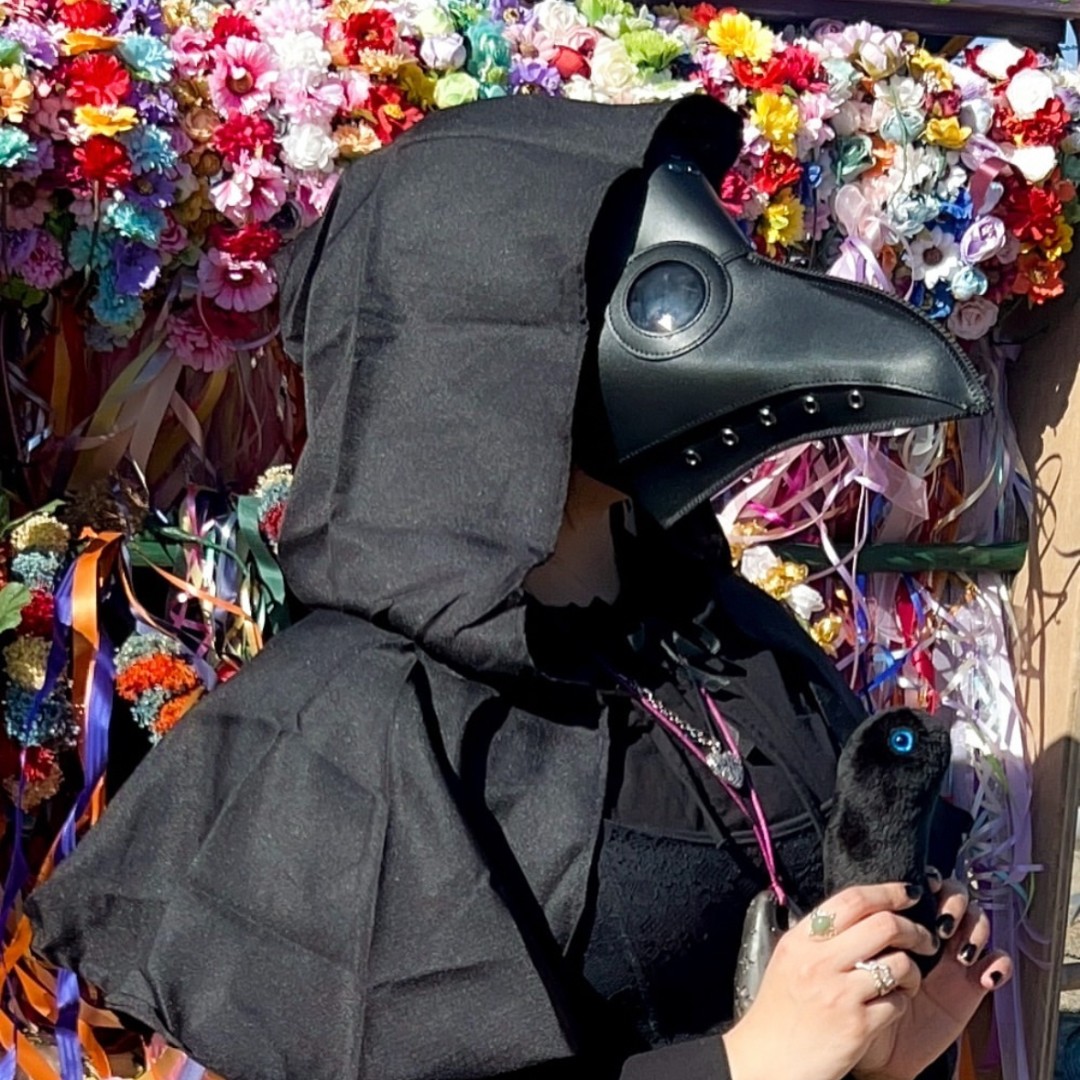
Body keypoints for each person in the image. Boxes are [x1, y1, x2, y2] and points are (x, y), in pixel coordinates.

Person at [28, 94, 1012, 1080]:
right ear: (485, 359)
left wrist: (890, 1047)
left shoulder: (725, 641)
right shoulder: (346, 729)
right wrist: (740, 1066)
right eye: (660, 298)